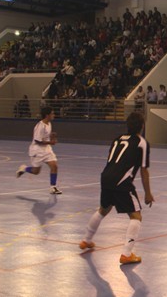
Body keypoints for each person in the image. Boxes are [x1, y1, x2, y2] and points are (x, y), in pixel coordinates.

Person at [78, 112, 154, 265]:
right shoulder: (141, 142)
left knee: (103, 209)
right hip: (122, 181)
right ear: (142, 126)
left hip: (106, 177)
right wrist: (148, 193)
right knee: (136, 216)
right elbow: (144, 169)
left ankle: (86, 240)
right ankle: (126, 254)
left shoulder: (117, 139)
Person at [16, 107, 62, 194]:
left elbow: (45, 136)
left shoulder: (49, 124)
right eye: (52, 113)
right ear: (47, 115)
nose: (54, 115)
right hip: (37, 150)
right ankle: (24, 168)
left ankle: (53, 187)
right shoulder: (40, 126)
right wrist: (50, 142)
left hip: (46, 149)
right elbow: (38, 140)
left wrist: (51, 136)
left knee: (54, 166)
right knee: (36, 171)